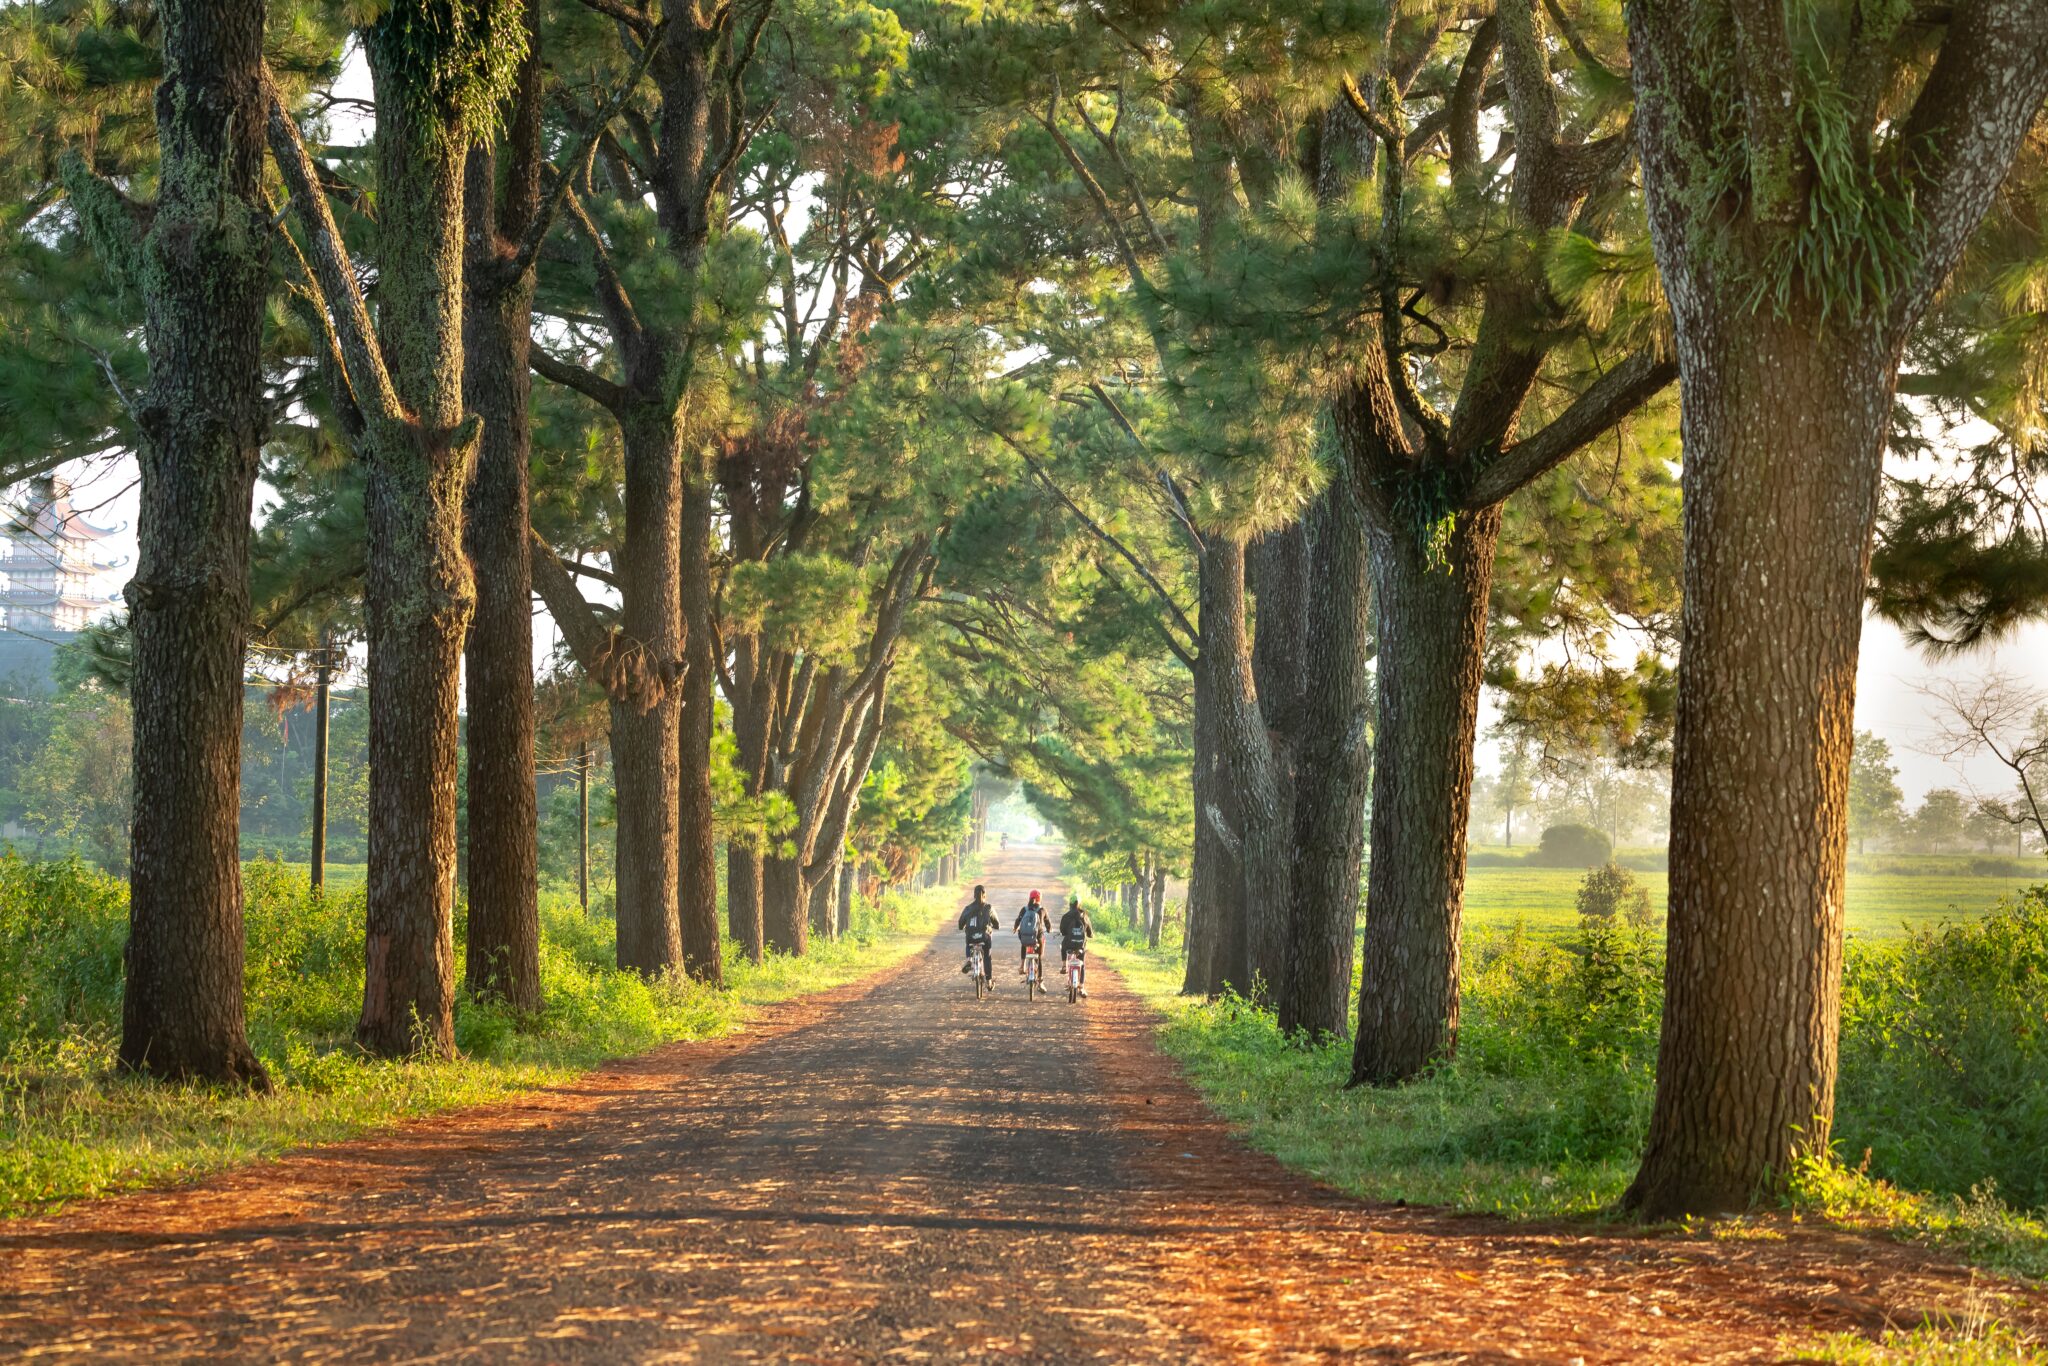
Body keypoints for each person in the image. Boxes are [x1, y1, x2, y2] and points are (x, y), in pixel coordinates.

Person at [957, 885, 999, 983]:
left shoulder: (968, 908)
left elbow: (960, 924)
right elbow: (997, 923)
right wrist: (995, 926)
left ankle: (969, 959)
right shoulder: (989, 907)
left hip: (971, 937)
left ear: (974, 895)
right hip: (985, 938)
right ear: (984, 895)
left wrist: (964, 927)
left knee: (968, 943)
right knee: (987, 957)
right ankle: (989, 981)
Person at [1058, 895, 1093, 998]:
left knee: (1063, 946)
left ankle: (1064, 965)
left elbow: (1063, 931)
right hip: (1080, 945)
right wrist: (1090, 935)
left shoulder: (1066, 916)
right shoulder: (1084, 916)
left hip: (1069, 943)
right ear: (1079, 904)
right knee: (1082, 963)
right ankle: (1081, 987)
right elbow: (1090, 933)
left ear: (1070, 904)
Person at [1014, 889, 1051, 976]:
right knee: (1039, 956)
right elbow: (1047, 923)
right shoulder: (1042, 910)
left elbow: (1018, 919)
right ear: (1040, 899)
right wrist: (1049, 929)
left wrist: (1015, 928)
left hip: (1024, 937)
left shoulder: (1024, 909)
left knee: (1024, 942)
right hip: (1038, 937)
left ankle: (1022, 965)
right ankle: (1040, 980)